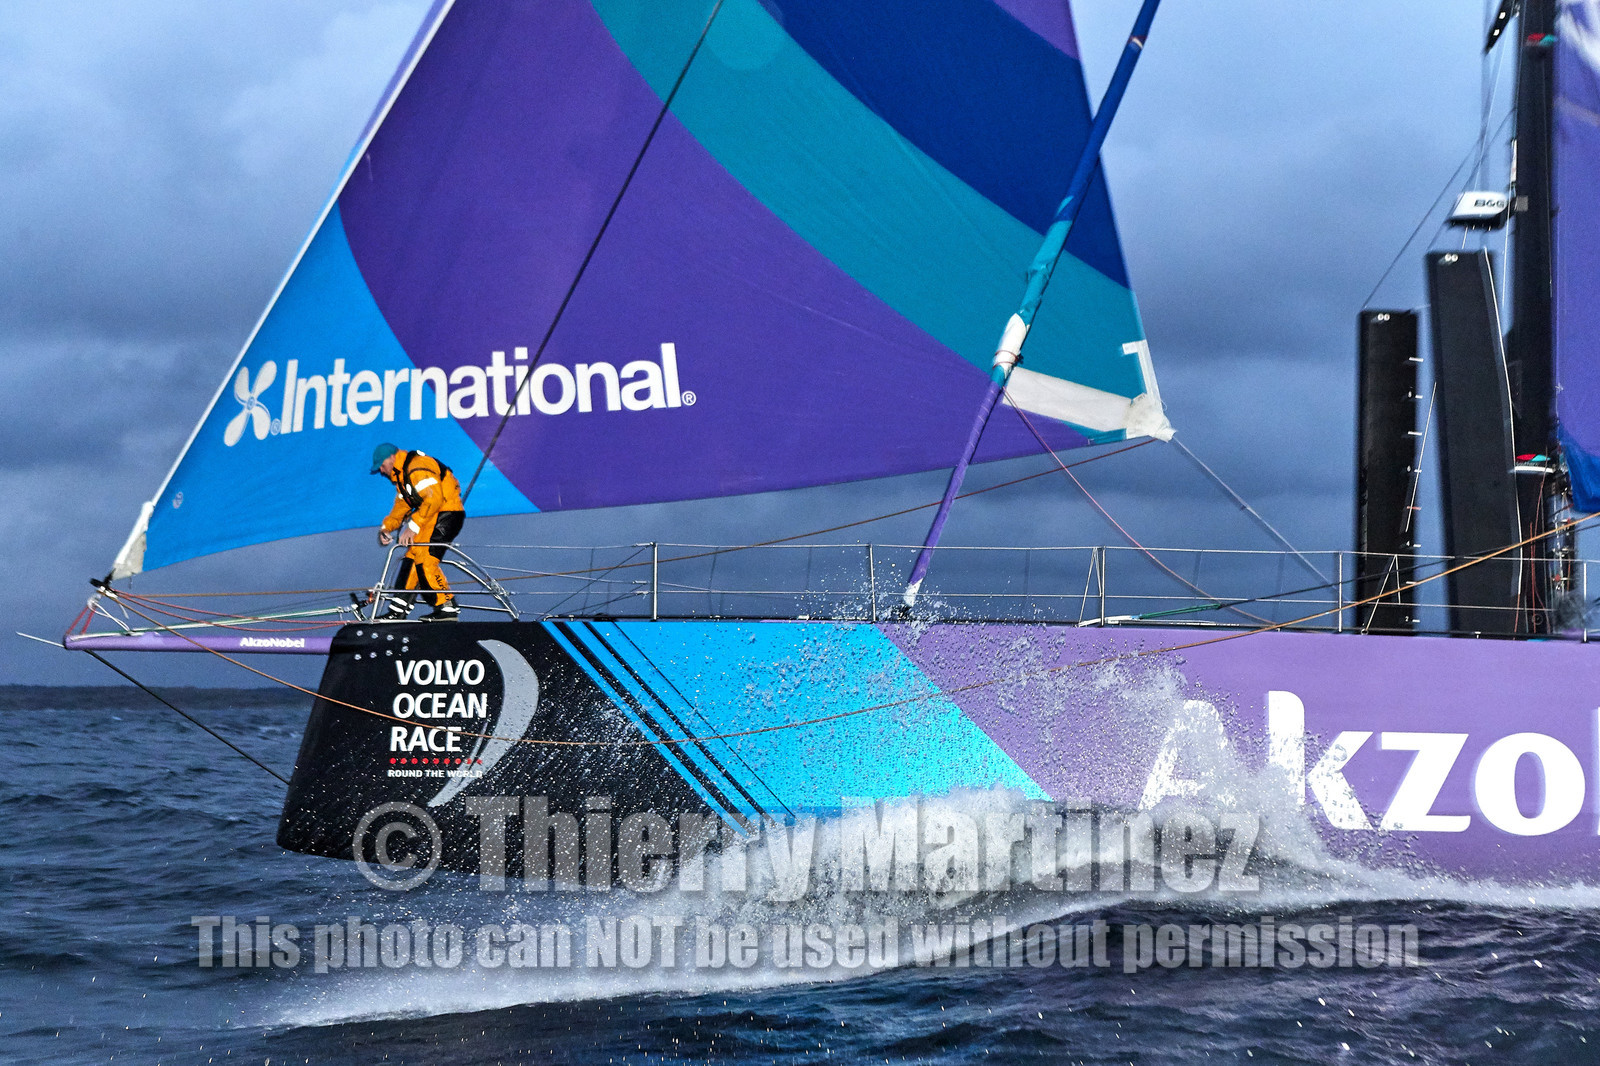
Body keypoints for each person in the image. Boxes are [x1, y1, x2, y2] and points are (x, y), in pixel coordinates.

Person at [370, 443, 465, 621]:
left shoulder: (417, 467)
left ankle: (447, 607)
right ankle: (398, 609)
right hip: (432, 515)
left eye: (382, 466)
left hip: (446, 513)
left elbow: (434, 498)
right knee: (412, 558)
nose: (382, 471)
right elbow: (402, 506)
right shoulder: (403, 477)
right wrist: (387, 527)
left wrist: (412, 527)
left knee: (425, 559)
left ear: (391, 458)